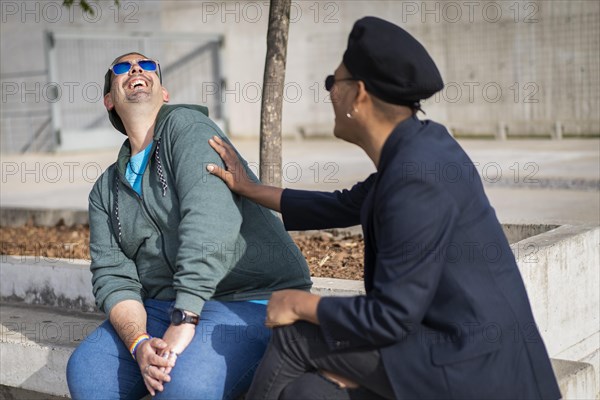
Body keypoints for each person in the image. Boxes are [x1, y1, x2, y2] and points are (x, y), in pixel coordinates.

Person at [206, 17, 561, 400]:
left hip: (473, 368)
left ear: (358, 95)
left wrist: (300, 302)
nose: (328, 93)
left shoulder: (414, 178)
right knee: (308, 393)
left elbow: (390, 316)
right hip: (458, 348)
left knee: (295, 336)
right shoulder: (423, 147)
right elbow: (339, 205)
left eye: (332, 83)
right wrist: (249, 188)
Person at [66, 52, 312, 400]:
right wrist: (138, 343)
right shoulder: (105, 191)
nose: (136, 69)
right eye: (122, 68)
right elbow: (113, 276)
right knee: (88, 373)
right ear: (109, 100)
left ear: (164, 91)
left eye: (147, 65)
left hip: (251, 298)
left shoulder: (187, 128)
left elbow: (212, 220)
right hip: (162, 304)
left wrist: (184, 319)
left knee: (181, 387)